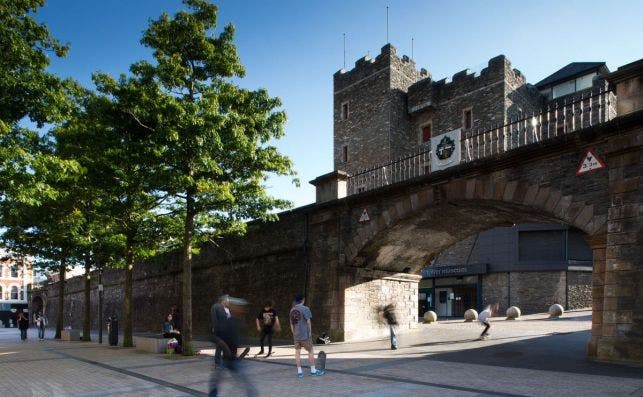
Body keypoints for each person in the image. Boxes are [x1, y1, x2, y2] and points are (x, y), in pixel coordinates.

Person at [209, 297, 257, 397]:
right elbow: (213, 336)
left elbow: (241, 339)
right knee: (215, 381)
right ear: (234, 308)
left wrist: (244, 347)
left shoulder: (240, 322)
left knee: (245, 381)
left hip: (233, 359)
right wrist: (222, 344)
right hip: (227, 359)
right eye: (239, 307)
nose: (241, 310)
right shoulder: (227, 321)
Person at [289, 294, 324, 378]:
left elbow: (291, 324)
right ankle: (313, 370)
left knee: (297, 352)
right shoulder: (305, 309)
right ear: (303, 300)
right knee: (310, 351)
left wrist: (294, 333)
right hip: (305, 335)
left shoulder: (292, 310)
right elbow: (308, 322)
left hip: (296, 335)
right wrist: (310, 332)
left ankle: (299, 372)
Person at [210, 295, 230, 368]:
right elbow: (215, 319)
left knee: (221, 346)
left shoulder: (221, 307)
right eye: (227, 300)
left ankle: (219, 362)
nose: (228, 302)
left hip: (222, 330)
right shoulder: (217, 307)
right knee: (220, 346)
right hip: (220, 331)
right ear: (223, 301)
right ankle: (218, 363)